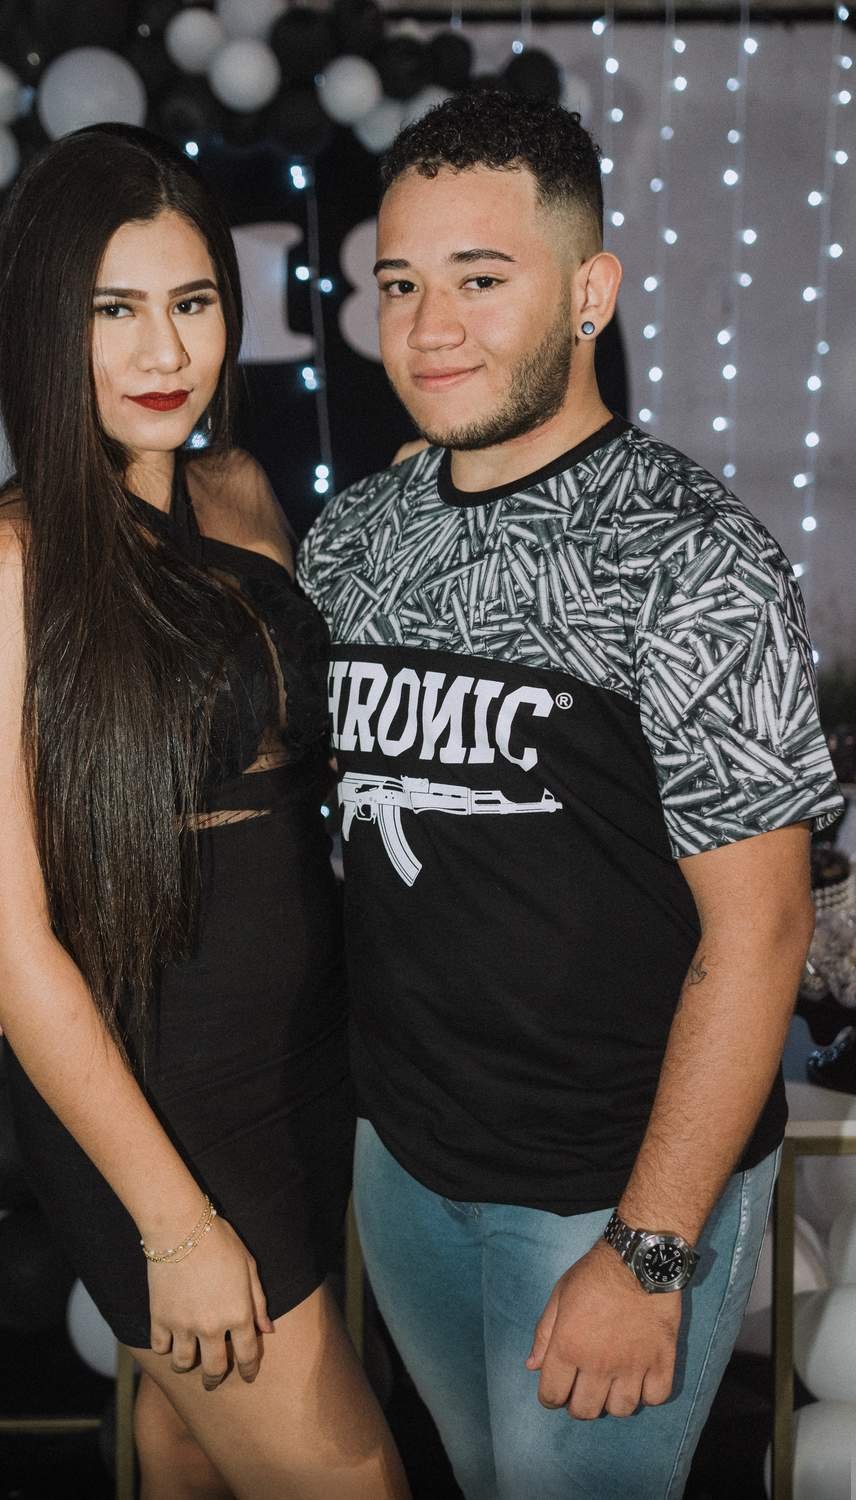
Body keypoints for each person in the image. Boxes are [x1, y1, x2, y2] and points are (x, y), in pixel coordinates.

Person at [297, 92, 843, 1500]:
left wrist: (649, 1251)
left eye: (481, 279)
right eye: (401, 284)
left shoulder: (693, 557)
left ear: (591, 293)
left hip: (611, 1192)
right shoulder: (354, 538)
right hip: (406, 1165)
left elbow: (762, 935)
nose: (429, 329)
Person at [0, 122, 409, 1500]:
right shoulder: (8, 573)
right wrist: (175, 1226)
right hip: (163, 1105)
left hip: (305, 1064)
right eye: (114, 311)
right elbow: (8, 946)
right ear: (46, 326)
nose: (164, 352)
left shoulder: (240, 491)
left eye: (192, 303)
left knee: (193, 1440)